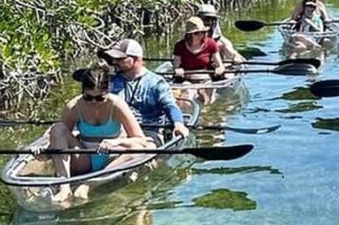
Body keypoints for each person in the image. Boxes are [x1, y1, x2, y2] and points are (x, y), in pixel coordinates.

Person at [35, 62, 150, 203]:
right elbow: (59, 139)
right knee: (57, 128)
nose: (94, 102)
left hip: (112, 159)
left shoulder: (117, 105)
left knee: (138, 149)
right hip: (84, 159)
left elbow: (141, 140)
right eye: (88, 97)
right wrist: (45, 153)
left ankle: (90, 183)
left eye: (100, 98)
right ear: (82, 91)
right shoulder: (74, 107)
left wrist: (117, 142)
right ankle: (64, 187)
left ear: (108, 91)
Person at [99, 38, 190, 140]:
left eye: (120, 59)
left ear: (136, 59)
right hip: (118, 132)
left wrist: (178, 124)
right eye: (113, 59)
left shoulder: (156, 83)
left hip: (149, 133)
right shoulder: (112, 80)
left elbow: (170, 106)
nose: (115, 62)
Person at [172, 16, 227, 104]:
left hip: (205, 79)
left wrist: (219, 69)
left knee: (206, 97)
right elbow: (176, 65)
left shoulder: (211, 43)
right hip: (187, 80)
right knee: (187, 94)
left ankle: (207, 110)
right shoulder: (179, 45)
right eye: (196, 33)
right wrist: (178, 70)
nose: (200, 35)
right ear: (189, 34)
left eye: (202, 32)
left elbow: (220, 65)